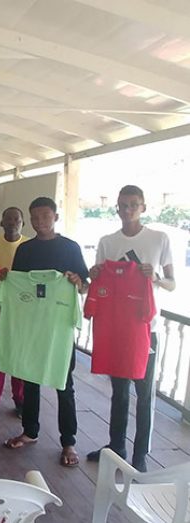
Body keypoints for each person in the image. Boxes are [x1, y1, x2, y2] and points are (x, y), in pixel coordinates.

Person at [86, 185, 174, 472]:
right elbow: (95, 282)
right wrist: (93, 273)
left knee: (145, 394)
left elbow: (173, 284)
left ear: (143, 207)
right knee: (119, 392)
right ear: (116, 208)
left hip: (146, 328)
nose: (127, 210)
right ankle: (116, 447)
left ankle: (140, 454)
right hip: (115, 329)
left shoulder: (159, 238)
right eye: (122, 205)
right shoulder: (107, 241)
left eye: (133, 205)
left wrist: (157, 277)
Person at [3, 197, 88, 468]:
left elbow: (85, 286)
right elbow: (17, 286)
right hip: (32, 325)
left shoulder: (70, 248)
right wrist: (6, 279)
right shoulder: (25, 249)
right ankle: (30, 431)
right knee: (31, 378)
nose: (41, 221)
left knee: (65, 384)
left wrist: (78, 281)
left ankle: (69, 441)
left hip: (59, 327)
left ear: (55, 216)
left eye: (45, 215)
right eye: (36, 217)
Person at [0, 207, 28, 417]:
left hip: (22, 309)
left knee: (19, 356)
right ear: (1, 222)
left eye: (16, 219)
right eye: (8, 219)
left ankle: (20, 400)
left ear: (23, 223)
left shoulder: (30, 246)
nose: (12, 222)